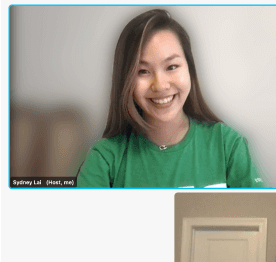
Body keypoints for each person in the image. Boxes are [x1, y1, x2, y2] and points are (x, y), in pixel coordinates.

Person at [77, 9, 265, 188]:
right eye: (143, 71)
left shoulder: (227, 145)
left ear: (190, 69)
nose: (160, 85)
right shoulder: (103, 159)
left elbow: (262, 215)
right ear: (126, 80)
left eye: (172, 67)